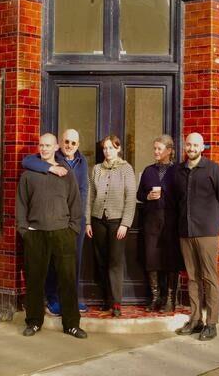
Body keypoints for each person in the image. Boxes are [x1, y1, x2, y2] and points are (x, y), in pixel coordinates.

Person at [16, 133, 87, 339]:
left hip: (63, 233)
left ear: (57, 147)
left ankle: (72, 324)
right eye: (41, 145)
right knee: (35, 280)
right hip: (35, 234)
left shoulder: (66, 173)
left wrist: (73, 229)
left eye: (48, 145)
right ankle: (34, 322)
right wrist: (24, 230)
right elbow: (21, 204)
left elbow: (76, 202)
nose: (44, 148)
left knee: (67, 280)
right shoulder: (29, 174)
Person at [172, 132, 219, 341]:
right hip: (185, 232)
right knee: (192, 277)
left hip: (207, 232)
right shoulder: (178, 171)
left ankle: (211, 323)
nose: (191, 148)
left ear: (202, 147)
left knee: (209, 276)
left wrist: (215, 225)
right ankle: (195, 319)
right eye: (188, 145)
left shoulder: (214, 170)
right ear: (185, 146)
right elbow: (174, 201)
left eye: (196, 145)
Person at [86, 135, 136, 317]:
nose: (107, 151)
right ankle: (105, 300)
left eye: (111, 148)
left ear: (118, 149)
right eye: (105, 148)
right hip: (98, 220)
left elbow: (131, 198)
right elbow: (90, 197)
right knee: (101, 261)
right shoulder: (97, 169)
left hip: (117, 222)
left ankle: (116, 303)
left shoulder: (126, 169)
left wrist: (125, 223)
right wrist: (88, 221)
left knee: (115, 262)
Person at [136, 134, 183, 312]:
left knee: (171, 260)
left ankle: (170, 299)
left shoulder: (178, 170)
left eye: (159, 149)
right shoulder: (148, 171)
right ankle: (155, 298)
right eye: (154, 148)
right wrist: (147, 196)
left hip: (171, 221)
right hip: (151, 221)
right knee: (151, 259)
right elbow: (139, 195)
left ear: (169, 151)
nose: (155, 151)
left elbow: (182, 197)